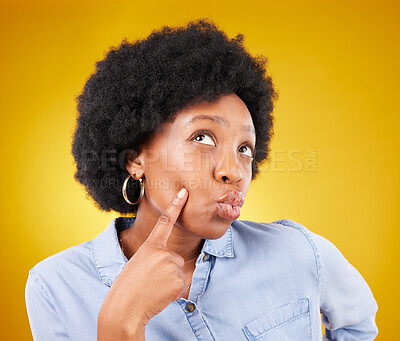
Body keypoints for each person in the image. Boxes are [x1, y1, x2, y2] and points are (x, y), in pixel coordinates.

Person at [25, 18, 378, 340]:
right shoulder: (56, 287)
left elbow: (359, 325)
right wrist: (120, 324)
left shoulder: (298, 252)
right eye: (203, 138)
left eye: (245, 149)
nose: (234, 171)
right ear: (135, 159)